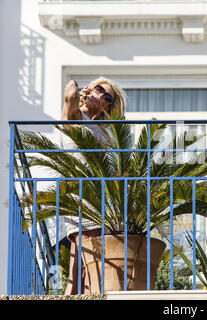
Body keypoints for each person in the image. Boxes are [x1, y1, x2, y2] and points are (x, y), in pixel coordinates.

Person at [61, 77, 126, 294]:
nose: (100, 95)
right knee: (86, 260)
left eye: (107, 96)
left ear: (109, 106)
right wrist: (75, 87)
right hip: (81, 198)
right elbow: (70, 97)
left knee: (85, 262)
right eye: (98, 89)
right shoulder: (76, 117)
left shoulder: (105, 132)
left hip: (99, 201)